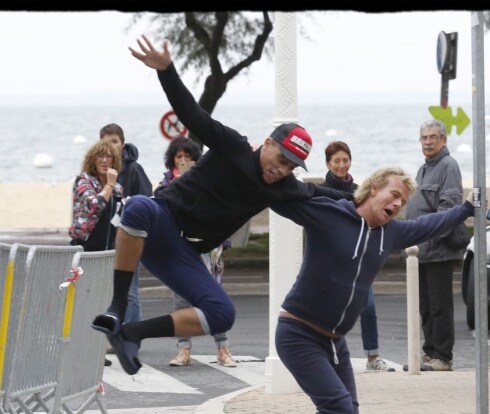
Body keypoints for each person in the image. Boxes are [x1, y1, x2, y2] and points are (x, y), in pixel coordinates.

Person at [91, 34, 350, 376]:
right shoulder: (233, 146)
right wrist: (166, 70)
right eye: (281, 158)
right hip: (160, 219)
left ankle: (131, 335)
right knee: (138, 205)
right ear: (268, 143)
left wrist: (372, 197)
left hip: (182, 252)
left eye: (290, 166)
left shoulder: (282, 186)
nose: (281, 169)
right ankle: (117, 309)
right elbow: (192, 115)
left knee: (221, 313)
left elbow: (324, 196)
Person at [271, 167, 475, 414]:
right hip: (298, 333)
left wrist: (468, 209)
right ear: (372, 189)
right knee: (336, 408)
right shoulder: (330, 214)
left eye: (403, 201)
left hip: (335, 342)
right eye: (393, 194)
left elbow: (432, 225)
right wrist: (258, 169)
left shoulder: (391, 234)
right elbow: (279, 198)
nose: (398, 203)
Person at [154, 135, 237, 369]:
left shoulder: (206, 181)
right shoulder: (165, 186)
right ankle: (183, 350)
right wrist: (176, 186)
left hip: (208, 249)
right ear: (171, 161)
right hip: (180, 249)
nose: (182, 161)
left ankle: (223, 349)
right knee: (181, 300)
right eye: (178, 157)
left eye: (187, 157)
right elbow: (160, 208)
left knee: (214, 299)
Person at [320, 141, 392, 372]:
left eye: (345, 160)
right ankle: (326, 356)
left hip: (359, 261)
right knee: (330, 312)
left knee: (368, 307)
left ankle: (373, 357)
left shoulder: (361, 191)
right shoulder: (322, 191)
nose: (342, 165)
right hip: (333, 263)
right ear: (328, 164)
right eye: (336, 161)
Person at [404, 119, 465, 372]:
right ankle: (429, 354)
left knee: (440, 306)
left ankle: (443, 357)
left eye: (433, 137)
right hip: (420, 250)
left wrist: (430, 237)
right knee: (426, 305)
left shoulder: (448, 165)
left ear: (444, 140)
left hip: (437, 250)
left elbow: (449, 207)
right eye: (424, 138)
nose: (428, 141)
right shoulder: (423, 168)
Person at [68, 139, 124, 367]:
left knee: (101, 302)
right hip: (85, 250)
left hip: (108, 252)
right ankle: (77, 349)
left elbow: (120, 217)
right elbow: (95, 205)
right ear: (92, 160)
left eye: (108, 156)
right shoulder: (84, 181)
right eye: (99, 156)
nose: (104, 160)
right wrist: (109, 185)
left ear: (114, 160)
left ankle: (96, 351)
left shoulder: (118, 188)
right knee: (83, 301)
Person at [99, 123, 153, 325]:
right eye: (106, 143)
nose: (111, 147)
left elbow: (148, 199)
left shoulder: (134, 169)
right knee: (110, 290)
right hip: (105, 239)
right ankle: (115, 331)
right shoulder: (100, 171)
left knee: (130, 290)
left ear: (122, 143)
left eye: (115, 141)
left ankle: (132, 333)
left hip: (129, 237)